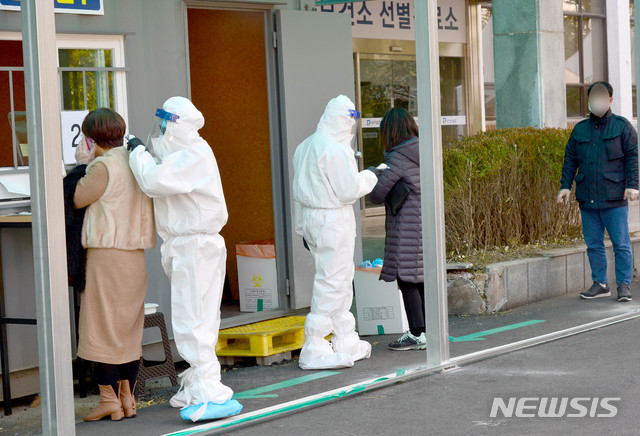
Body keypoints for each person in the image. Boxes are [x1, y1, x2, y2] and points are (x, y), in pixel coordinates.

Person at [128, 97, 242, 422]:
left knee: (194, 319)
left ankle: (209, 391)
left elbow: (152, 180)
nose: (161, 131)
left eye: (165, 125)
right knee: (197, 316)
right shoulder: (184, 152)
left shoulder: (194, 154)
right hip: (188, 246)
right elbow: (162, 169)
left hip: (195, 247)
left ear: (176, 125)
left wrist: (136, 151)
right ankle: (196, 383)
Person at [74, 108, 156, 422]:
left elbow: (78, 198)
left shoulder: (102, 167)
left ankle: (109, 400)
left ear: (92, 138)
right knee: (128, 328)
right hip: (135, 255)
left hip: (107, 255)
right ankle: (128, 398)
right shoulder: (136, 160)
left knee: (102, 326)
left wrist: (83, 165)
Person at [293, 95, 378, 370]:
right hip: (333, 219)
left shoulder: (305, 146)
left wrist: (301, 228)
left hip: (313, 219)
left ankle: (344, 340)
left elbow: (298, 193)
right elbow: (348, 191)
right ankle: (315, 346)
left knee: (338, 279)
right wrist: (372, 175)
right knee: (333, 282)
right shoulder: (336, 149)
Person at [558, 81, 639, 302]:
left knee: (621, 244)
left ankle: (623, 284)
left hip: (614, 197)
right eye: (593, 97)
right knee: (593, 244)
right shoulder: (579, 129)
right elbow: (570, 161)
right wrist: (565, 186)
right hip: (588, 197)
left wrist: (633, 185)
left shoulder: (622, 127)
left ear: (610, 100)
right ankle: (600, 283)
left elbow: (633, 158)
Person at [369, 108, 425, 351]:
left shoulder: (397, 157)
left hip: (406, 225)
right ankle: (426, 332)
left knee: (406, 278)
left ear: (389, 131)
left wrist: (374, 173)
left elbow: (377, 194)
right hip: (424, 222)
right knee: (419, 276)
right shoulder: (424, 150)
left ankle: (417, 333)